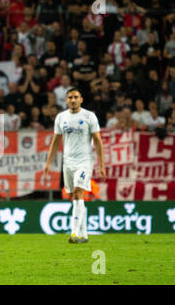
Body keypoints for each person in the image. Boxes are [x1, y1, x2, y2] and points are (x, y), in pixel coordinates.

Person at [44, 88, 106, 244]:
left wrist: (102, 165)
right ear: (66, 100)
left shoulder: (89, 116)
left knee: (79, 192)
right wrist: (48, 162)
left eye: (76, 97)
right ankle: (84, 234)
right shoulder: (61, 117)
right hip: (68, 162)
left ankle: (74, 233)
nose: (73, 100)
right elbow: (56, 140)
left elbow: (98, 140)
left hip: (84, 161)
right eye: (70, 97)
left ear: (81, 99)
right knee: (74, 197)